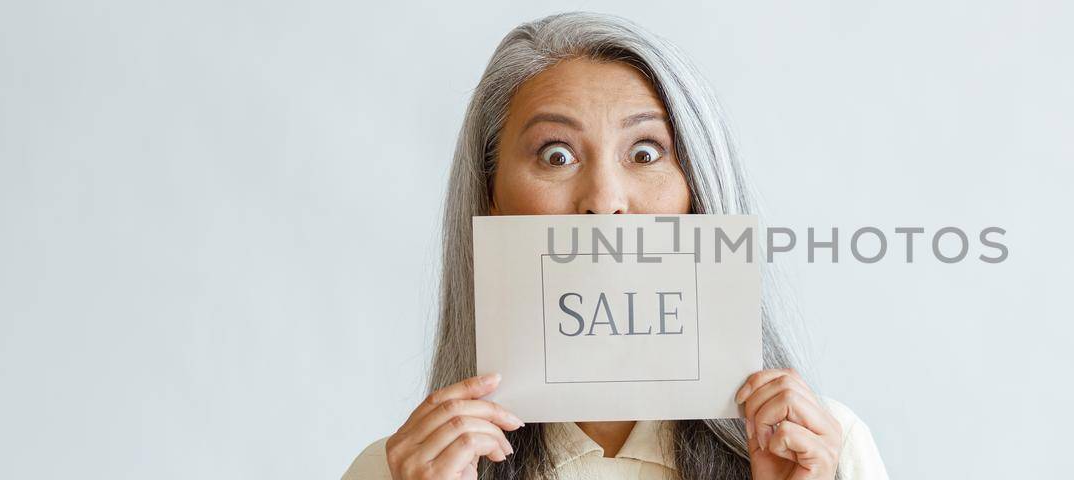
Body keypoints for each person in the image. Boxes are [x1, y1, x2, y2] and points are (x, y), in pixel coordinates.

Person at [341, 12, 888, 480]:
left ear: (698, 194)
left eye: (646, 152)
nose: (604, 202)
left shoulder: (823, 452)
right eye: (556, 155)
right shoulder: (398, 470)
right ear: (492, 200)